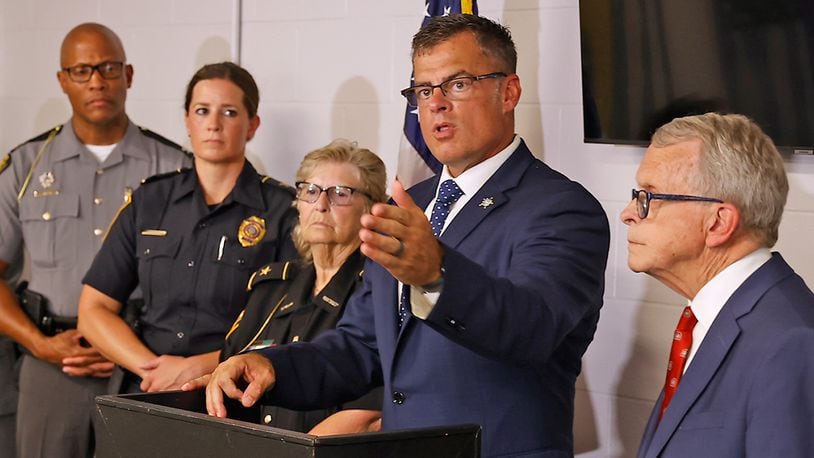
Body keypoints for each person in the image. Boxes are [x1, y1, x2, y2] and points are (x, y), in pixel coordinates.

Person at [185, 14, 610, 457]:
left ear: (510, 91)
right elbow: (360, 345)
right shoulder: (408, 206)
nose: (436, 104)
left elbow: (532, 329)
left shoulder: (562, 209)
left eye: (458, 84)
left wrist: (437, 276)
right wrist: (271, 368)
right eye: (424, 90)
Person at [0, 22, 191, 457]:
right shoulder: (25, 167)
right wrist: (39, 344)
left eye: (108, 68)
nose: (97, 82)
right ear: (62, 81)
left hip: (144, 368)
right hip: (53, 368)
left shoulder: (174, 168)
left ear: (129, 75)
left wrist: (137, 355)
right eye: (82, 70)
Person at [77, 62, 297, 395]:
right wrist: (150, 369)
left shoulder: (284, 212)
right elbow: (94, 309)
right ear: (187, 121)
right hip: (144, 389)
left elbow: (290, 326)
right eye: (202, 111)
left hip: (235, 394)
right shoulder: (149, 201)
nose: (213, 124)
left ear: (252, 126)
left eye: (229, 113)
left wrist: (196, 367)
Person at [621, 113, 814, 457]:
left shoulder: (791, 345)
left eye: (648, 197)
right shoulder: (710, 318)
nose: (628, 213)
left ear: (718, 223)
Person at [220, 138, 385, 434]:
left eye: (340, 194)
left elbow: (369, 415)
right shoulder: (270, 286)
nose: (321, 205)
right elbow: (233, 369)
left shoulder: (379, 290)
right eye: (310, 191)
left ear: (371, 208)